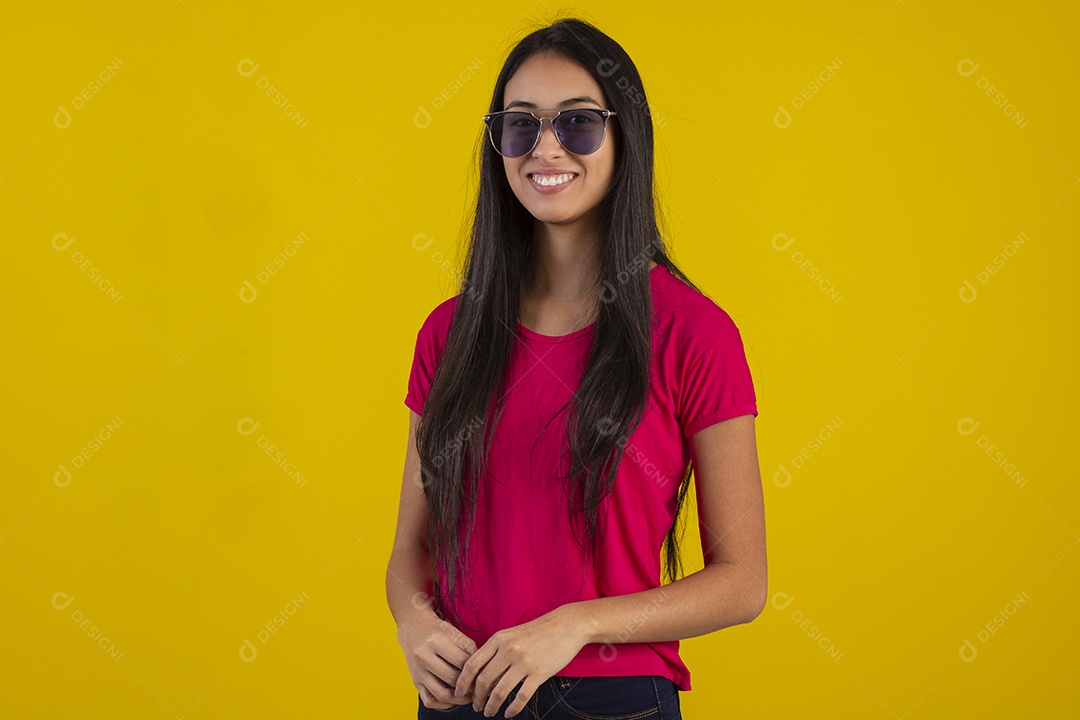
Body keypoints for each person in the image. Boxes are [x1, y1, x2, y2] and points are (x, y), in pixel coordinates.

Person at [387, 15, 767, 720]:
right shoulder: (450, 333)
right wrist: (415, 622)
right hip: (463, 698)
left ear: (626, 140)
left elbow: (742, 583)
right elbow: (412, 547)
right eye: (521, 125)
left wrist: (578, 623)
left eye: (579, 123)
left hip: (613, 702)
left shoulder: (695, 333)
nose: (547, 148)